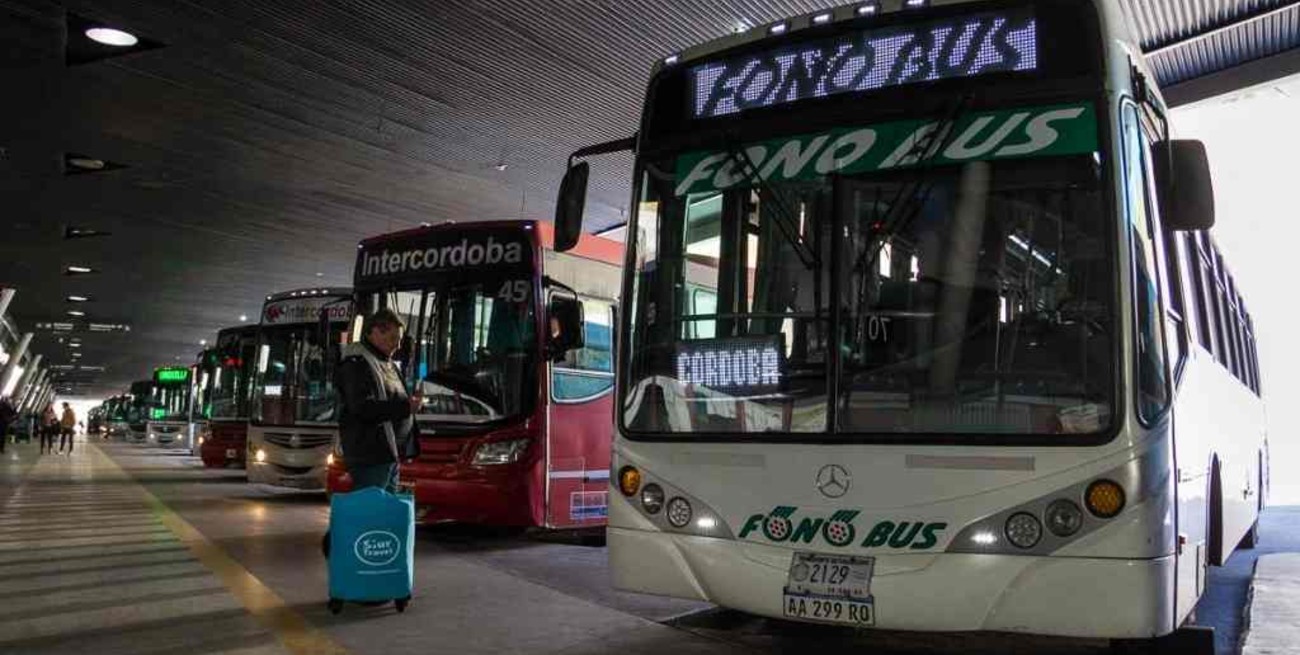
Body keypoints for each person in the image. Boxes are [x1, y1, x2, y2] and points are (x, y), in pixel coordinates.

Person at [336, 308, 422, 493]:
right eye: (393, 339)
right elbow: (362, 407)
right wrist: (406, 407)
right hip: (371, 456)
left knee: (383, 514)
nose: (397, 346)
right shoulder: (357, 363)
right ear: (375, 332)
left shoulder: (383, 361)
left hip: (387, 455)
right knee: (371, 513)